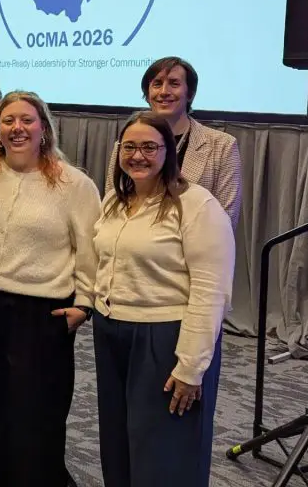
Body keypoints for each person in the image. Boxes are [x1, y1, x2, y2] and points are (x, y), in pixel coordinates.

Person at [0, 91, 100, 487]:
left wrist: (84, 304)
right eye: (8, 121)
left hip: (41, 314)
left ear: (44, 128)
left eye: (27, 120)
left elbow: (90, 251)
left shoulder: (74, 184)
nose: (17, 128)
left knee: (34, 413)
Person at [92, 111, 235, 487]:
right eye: (130, 147)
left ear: (168, 152)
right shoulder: (114, 201)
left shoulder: (197, 205)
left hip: (166, 338)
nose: (138, 156)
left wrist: (191, 367)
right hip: (112, 332)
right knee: (120, 442)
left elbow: (210, 290)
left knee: (164, 450)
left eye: (150, 147)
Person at [105, 57, 242, 228]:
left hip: (193, 248)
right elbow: (113, 204)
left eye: (174, 84)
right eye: (157, 84)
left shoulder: (222, 146)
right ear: (147, 94)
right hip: (134, 246)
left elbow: (225, 221)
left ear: (190, 94)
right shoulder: (126, 142)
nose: (164, 91)